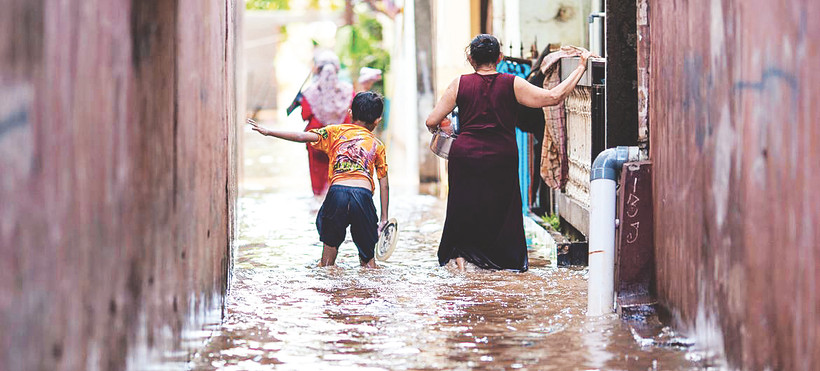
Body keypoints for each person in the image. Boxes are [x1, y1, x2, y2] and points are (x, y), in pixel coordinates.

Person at [425, 34, 592, 272]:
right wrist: (582, 66)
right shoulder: (512, 83)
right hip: (500, 156)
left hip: (465, 156)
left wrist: (444, 127)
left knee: (463, 205)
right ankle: (500, 260)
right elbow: (554, 97)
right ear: (500, 58)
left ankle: (461, 256)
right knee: (501, 207)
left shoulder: (459, 83)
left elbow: (432, 120)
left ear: (471, 60)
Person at [250, 92, 389, 268]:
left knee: (326, 262)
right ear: (377, 120)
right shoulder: (377, 145)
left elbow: (302, 137)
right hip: (362, 196)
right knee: (369, 263)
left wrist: (270, 132)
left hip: (337, 194)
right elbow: (384, 184)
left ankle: (328, 291)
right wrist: (384, 218)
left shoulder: (334, 131)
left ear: (350, 113)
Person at [300, 51, 355, 196]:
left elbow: (305, 115)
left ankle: (318, 201)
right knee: (340, 173)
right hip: (341, 141)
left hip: (316, 140)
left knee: (318, 175)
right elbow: (354, 116)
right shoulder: (348, 91)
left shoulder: (309, 93)